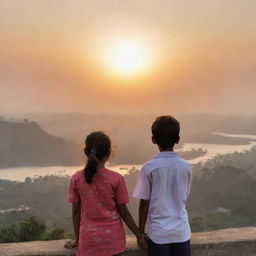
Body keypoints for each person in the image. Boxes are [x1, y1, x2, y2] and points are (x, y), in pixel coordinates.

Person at [64, 131, 145, 256]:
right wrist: (139, 235)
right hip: (113, 242)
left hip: (88, 242)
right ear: (108, 153)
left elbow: (76, 212)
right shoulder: (116, 179)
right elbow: (123, 212)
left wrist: (78, 239)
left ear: (86, 152)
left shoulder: (77, 179)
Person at [133, 115, 192, 256]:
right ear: (178, 140)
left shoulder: (149, 168)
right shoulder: (187, 167)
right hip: (181, 232)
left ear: (153, 140)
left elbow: (144, 203)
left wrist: (141, 233)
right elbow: (184, 195)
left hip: (158, 234)